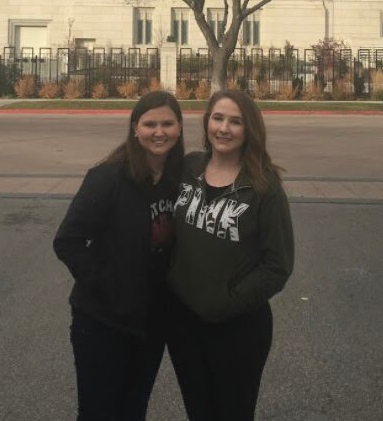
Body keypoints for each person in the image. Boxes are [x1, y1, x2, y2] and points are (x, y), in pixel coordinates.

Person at [53, 90, 185, 421]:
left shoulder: (179, 180)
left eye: (168, 124)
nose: (159, 132)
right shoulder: (109, 177)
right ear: (135, 128)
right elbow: (67, 240)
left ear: (180, 128)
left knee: (133, 410)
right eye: (150, 124)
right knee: (100, 413)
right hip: (102, 322)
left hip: (151, 324)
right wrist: (110, 287)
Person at [167, 89, 295, 421]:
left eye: (235, 121)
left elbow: (277, 265)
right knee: (199, 411)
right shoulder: (188, 167)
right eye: (218, 118)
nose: (224, 128)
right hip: (184, 325)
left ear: (249, 129)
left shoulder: (264, 186)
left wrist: (227, 301)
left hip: (238, 329)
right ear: (207, 121)